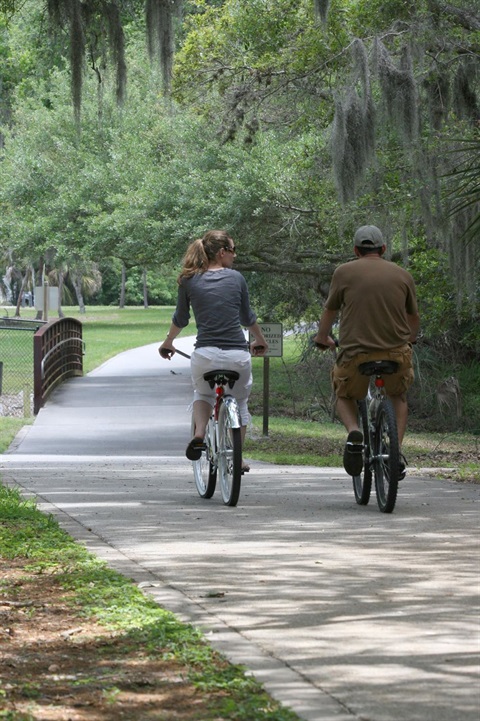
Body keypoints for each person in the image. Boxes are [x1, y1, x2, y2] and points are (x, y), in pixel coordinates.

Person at [313, 225, 420, 479]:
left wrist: (322, 337)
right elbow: (413, 318)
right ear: (383, 249)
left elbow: (330, 310)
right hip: (395, 353)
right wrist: (410, 340)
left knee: (343, 393)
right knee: (399, 396)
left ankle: (353, 433)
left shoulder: (344, 272)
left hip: (355, 353)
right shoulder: (402, 274)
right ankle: (395, 451)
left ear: (355, 250)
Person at [159, 230, 268, 470]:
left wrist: (168, 342)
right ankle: (237, 458)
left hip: (205, 356)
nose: (235, 255)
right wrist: (259, 339)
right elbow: (247, 317)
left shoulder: (188, 280)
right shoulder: (237, 278)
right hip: (237, 357)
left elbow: (180, 318)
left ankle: (199, 434)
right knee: (239, 402)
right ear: (221, 253)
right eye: (232, 250)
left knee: (203, 394)